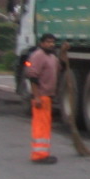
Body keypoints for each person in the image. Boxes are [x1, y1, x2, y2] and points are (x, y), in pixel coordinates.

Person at [25, 33, 60, 164]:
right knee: (40, 126)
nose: (51, 44)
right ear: (41, 43)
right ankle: (39, 155)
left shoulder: (51, 56)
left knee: (45, 126)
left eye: (52, 42)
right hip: (42, 96)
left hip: (48, 97)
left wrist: (63, 52)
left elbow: (59, 66)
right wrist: (37, 97)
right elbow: (33, 77)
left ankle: (43, 153)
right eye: (48, 42)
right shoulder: (38, 56)